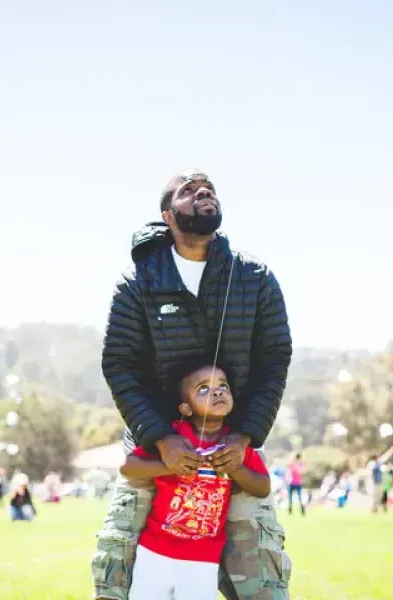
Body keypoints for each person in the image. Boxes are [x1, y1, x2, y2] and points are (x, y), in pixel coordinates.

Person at [93, 169, 292, 600]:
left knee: (263, 585)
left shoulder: (254, 276)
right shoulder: (137, 282)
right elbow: (119, 365)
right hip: (154, 449)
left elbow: (274, 361)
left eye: (210, 189)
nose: (204, 192)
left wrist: (244, 437)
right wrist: (161, 438)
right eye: (189, 190)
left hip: (232, 452)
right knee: (115, 584)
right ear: (167, 216)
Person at [122, 360, 270, 600]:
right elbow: (128, 467)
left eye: (224, 386)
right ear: (186, 408)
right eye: (203, 388)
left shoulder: (235, 446)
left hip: (203, 558)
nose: (218, 391)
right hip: (155, 550)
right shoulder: (174, 438)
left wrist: (235, 468)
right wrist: (167, 465)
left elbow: (262, 487)